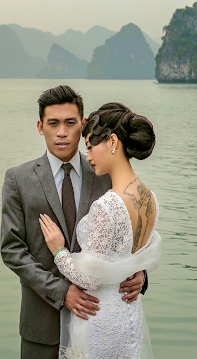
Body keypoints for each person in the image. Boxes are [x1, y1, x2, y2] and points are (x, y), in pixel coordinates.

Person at [0, 86, 147, 359]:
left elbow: (132, 235)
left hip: (99, 322)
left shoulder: (106, 175)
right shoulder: (17, 179)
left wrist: (140, 273)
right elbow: (12, 250)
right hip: (42, 326)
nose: (62, 132)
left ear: (82, 125)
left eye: (70, 123)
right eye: (52, 123)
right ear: (40, 127)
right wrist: (61, 291)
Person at [39, 102, 161, 358]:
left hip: (101, 318)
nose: (89, 156)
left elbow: (89, 278)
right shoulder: (150, 197)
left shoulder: (108, 206)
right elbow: (136, 256)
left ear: (113, 142)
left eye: (91, 147)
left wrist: (58, 250)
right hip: (130, 314)